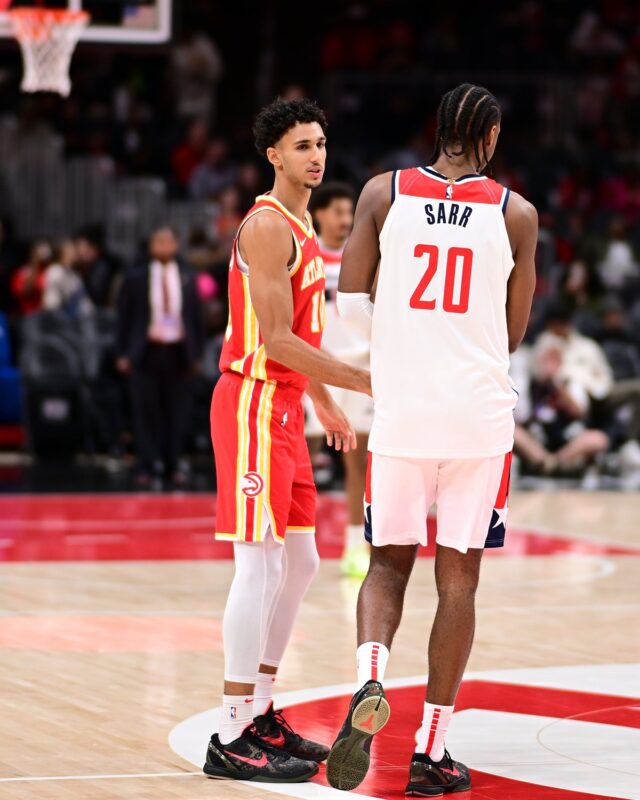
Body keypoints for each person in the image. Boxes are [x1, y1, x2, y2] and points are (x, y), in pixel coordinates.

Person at [326, 84, 537, 795]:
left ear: (438, 127)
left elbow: (349, 300)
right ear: (491, 136)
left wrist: (392, 352)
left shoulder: (382, 194)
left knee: (387, 566)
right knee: (459, 581)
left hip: (402, 412)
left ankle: (371, 678)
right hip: (477, 418)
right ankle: (432, 750)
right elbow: (513, 333)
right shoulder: (516, 214)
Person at [204, 98, 370, 784]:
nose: (316, 155)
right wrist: (361, 380)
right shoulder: (269, 225)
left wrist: (324, 401)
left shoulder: (303, 224)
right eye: (302, 145)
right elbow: (274, 340)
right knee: (260, 566)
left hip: (287, 406)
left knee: (300, 562)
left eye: (321, 143)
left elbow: (302, 339)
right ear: (273, 155)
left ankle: (262, 709)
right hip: (251, 400)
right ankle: (230, 731)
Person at [305, 181, 373, 578]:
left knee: (358, 460)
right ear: (320, 214)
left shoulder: (362, 257)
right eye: (339, 212)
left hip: (358, 368)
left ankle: (354, 546)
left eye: (350, 212)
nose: (346, 219)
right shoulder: (306, 253)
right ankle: (288, 542)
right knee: (302, 457)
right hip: (316, 365)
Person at [116, 226, 204, 488]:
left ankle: (173, 464)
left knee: (178, 412)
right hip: (147, 352)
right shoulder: (136, 277)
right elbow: (123, 317)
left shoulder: (188, 276)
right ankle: (147, 464)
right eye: (159, 241)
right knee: (145, 411)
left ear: (176, 244)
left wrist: (197, 354)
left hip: (178, 352)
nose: (164, 246)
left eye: (168, 241)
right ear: (151, 245)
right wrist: (122, 353)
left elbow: (196, 318)